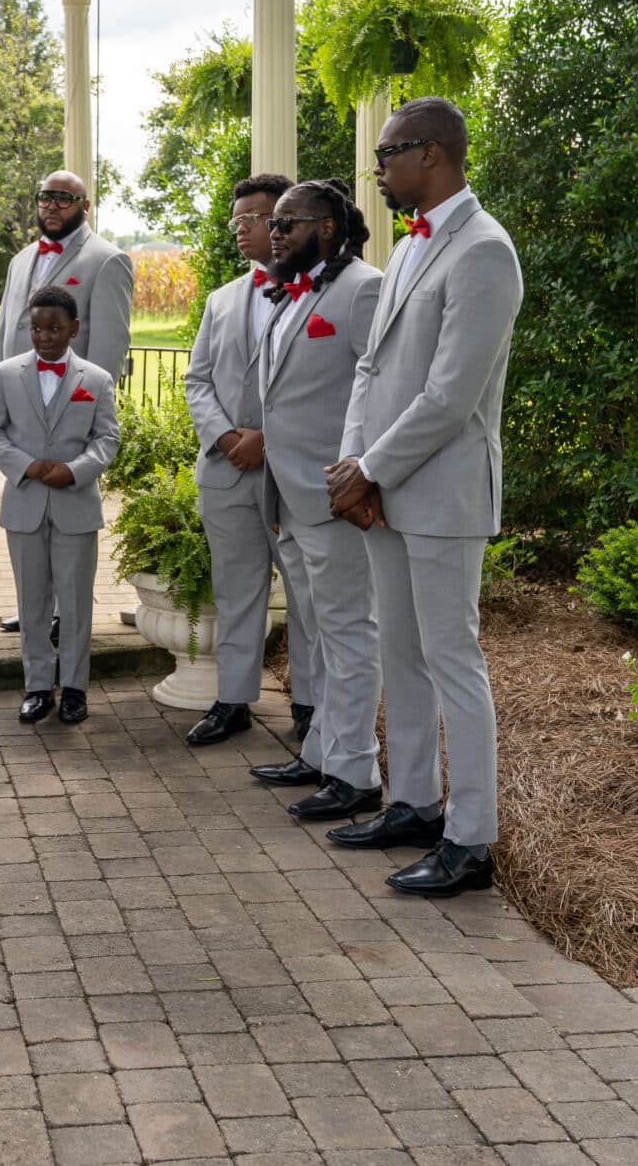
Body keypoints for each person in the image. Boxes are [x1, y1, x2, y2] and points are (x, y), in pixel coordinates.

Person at [326, 97, 523, 898]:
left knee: (451, 658)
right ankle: (412, 801)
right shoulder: (410, 250)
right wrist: (351, 463)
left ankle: (471, 841)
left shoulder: (484, 251)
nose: (377, 169)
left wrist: (369, 468)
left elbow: (449, 396)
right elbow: (371, 368)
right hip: (383, 485)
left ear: (432, 154)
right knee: (399, 655)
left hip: (441, 492)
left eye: (387, 153)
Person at [247, 179, 386, 823]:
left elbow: (379, 391)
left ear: (327, 226)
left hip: (336, 496)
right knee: (320, 635)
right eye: (272, 224)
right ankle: (323, 751)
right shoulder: (290, 292)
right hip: (290, 495)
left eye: (286, 223)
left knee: (349, 634)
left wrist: (362, 476)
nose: (273, 234)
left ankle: (356, 773)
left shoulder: (363, 289)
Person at [183, 173, 316, 749]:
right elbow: (197, 379)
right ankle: (233, 700)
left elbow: (328, 388)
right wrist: (226, 438)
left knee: (308, 594)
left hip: (295, 473)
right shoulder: (221, 300)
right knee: (236, 592)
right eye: (236, 221)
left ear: (285, 219)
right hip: (228, 469)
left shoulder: (323, 293)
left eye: (253, 219)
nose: (242, 230)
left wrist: (270, 438)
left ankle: (311, 703)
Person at [0, 169, 134, 635]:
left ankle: (63, 614)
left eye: (64, 198)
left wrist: (86, 413)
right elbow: (3, 336)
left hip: (71, 414)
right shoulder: (21, 260)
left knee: (67, 523)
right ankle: (36, 608)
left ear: (84, 205)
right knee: (29, 520)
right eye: (45, 197)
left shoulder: (107, 260)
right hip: (21, 408)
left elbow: (108, 350)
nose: (51, 206)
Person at [0, 286, 120, 727]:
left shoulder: (95, 380)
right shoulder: (5, 374)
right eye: (36, 327)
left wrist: (76, 471)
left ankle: (75, 689)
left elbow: (107, 439)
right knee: (32, 601)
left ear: (74, 329)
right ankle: (38, 687)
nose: (44, 336)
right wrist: (27, 465)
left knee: (76, 603)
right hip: (24, 505)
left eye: (54, 328)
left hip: (76, 505)